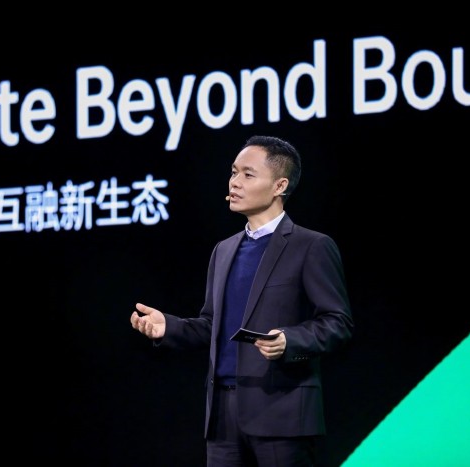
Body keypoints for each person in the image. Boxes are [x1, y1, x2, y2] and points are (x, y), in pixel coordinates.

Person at [130, 135, 354, 466]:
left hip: (282, 412)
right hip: (222, 416)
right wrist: (170, 327)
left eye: (248, 174)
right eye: (234, 172)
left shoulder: (311, 246)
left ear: (279, 186)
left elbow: (338, 322)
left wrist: (289, 340)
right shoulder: (223, 250)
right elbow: (213, 325)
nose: (234, 182)